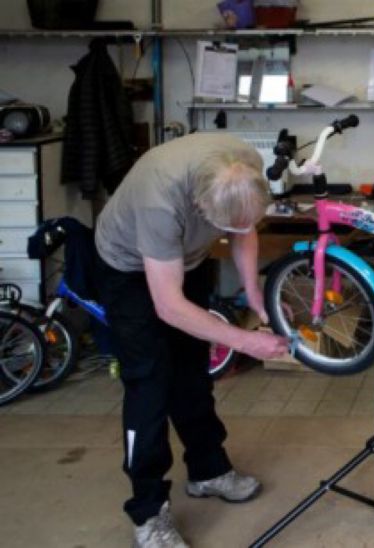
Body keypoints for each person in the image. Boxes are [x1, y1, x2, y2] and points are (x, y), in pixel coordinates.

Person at [94, 133, 289, 548]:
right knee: (149, 383)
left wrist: (255, 291)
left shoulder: (244, 166)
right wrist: (246, 342)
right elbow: (169, 306)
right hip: (128, 267)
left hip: (186, 258)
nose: (237, 228)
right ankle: (148, 512)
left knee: (192, 371)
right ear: (200, 208)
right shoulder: (159, 201)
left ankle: (208, 469)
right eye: (225, 224)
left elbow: (243, 229)